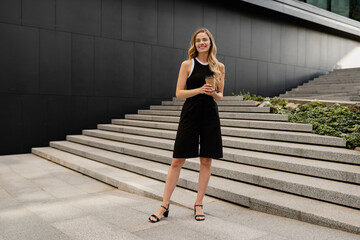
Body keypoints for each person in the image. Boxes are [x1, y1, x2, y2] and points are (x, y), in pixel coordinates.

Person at [149, 28, 225, 223]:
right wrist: (199, 89)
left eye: (205, 40)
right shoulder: (187, 64)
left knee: (206, 160)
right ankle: (164, 204)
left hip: (209, 115)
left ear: (210, 43)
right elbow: (179, 93)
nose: (202, 43)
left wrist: (212, 93)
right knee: (177, 160)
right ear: (194, 43)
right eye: (198, 40)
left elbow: (221, 96)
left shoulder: (219, 66)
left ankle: (199, 204)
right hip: (190, 115)